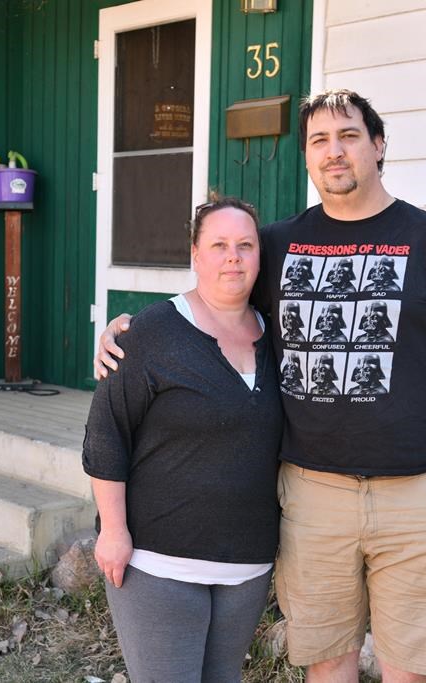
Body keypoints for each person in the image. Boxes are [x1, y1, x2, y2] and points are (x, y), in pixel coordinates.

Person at [95, 89, 426, 682]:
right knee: (327, 660)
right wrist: (132, 329)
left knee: (410, 670)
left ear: (378, 146)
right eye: (319, 140)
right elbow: (217, 296)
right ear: (308, 157)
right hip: (313, 496)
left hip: (418, 496)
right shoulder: (277, 246)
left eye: (349, 136)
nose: (334, 151)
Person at [83, 197, 283, 683]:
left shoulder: (280, 337)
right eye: (218, 245)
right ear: (195, 254)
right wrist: (113, 530)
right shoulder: (151, 333)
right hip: (159, 563)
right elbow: (106, 434)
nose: (233, 257)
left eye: (245, 245)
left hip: (246, 568)